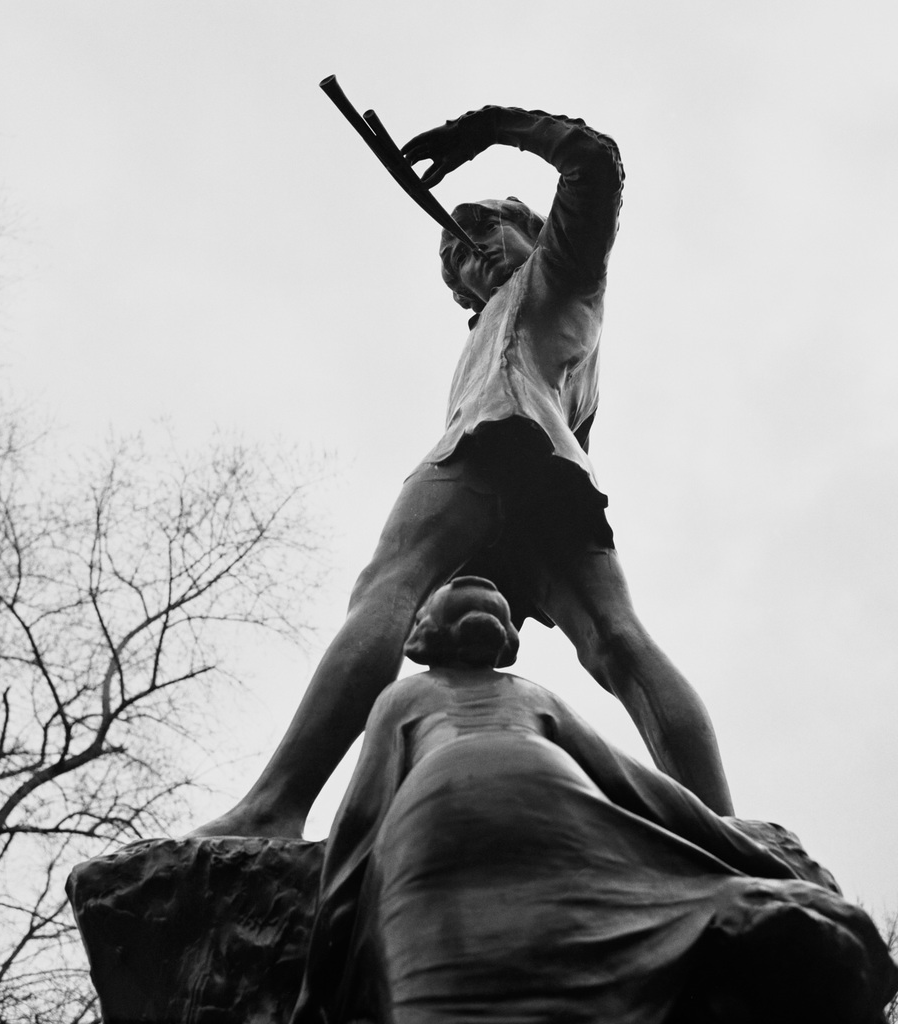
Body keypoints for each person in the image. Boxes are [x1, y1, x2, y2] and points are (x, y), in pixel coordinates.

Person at [193, 105, 733, 839]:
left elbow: (594, 160)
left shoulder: (562, 269)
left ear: (533, 229)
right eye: (454, 256)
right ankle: (720, 830)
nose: (468, 251)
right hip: (556, 482)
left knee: (388, 587)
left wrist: (482, 127)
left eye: (482, 227)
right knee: (614, 639)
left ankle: (275, 805)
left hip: (490, 447)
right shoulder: (508, 316)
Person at [291, 579, 897, 1024]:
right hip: (443, 844)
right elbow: (364, 815)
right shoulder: (406, 698)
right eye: (456, 589)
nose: (478, 582)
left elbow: (641, 788)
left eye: (492, 597)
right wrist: (320, 975)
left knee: (793, 930)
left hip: (579, 834)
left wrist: (763, 860)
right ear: (425, 632)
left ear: (507, 639)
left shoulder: (531, 695)